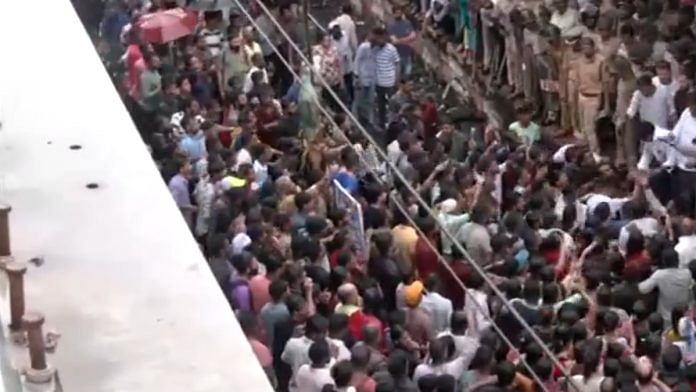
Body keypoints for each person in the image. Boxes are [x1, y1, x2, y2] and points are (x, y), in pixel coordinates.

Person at [638, 249, 693, 325]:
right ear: (678, 260)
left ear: (664, 261)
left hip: (666, 319)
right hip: (684, 317)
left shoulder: (660, 275)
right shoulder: (687, 273)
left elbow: (643, 289)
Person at [371, 27, 400, 129]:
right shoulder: (374, 49)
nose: (380, 41)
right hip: (379, 82)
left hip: (390, 82)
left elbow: (397, 64)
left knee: (392, 105)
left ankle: (393, 124)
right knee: (380, 105)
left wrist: (397, 79)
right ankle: (381, 123)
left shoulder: (391, 49)